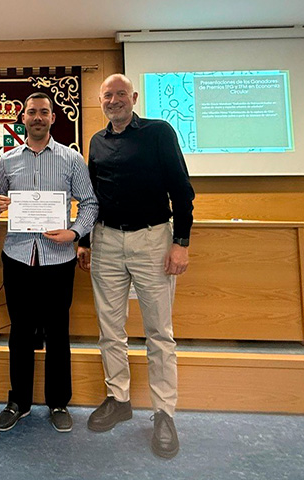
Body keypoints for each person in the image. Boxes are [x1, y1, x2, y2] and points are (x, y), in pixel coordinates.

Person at [77, 74, 195, 459]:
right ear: (100, 100)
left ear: (134, 97)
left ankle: (164, 412)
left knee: (159, 331)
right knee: (110, 329)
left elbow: (182, 189)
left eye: (120, 94)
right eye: (107, 95)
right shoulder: (96, 141)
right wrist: (84, 240)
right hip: (107, 241)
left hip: (152, 240)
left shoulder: (159, 132)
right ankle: (119, 398)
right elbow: (92, 197)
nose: (114, 100)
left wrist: (181, 243)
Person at [0, 92, 98, 433]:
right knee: (20, 333)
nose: (38, 117)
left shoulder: (71, 160)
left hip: (58, 258)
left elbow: (91, 204)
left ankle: (58, 402)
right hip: (19, 257)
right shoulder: (7, 161)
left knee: (57, 332)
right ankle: (18, 402)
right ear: (24, 117)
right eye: (32, 112)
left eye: (44, 112)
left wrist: (75, 233)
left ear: (54, 118)